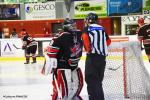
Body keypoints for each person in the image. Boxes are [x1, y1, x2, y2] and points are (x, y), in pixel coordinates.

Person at [41, 18, 84, 100]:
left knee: (76, 87)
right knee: (63, 89)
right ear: (67, 26)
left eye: (75, 25)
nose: (74, 27)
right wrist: (50, 65)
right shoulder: (60, 37)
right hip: (63, 66)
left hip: (74, 66)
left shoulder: (78, 34)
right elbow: (50, 53)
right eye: (72, 25)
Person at [81, 13, 111, 100]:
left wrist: (88, 49)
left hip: (92, 58)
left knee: (91, 81)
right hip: (102, 59)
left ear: (88, 20)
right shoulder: (102, 28)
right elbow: (108, 41)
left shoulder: (87, 29)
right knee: (98, 81)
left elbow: (85, 38)